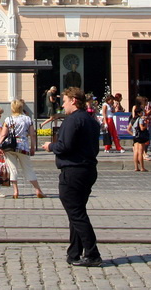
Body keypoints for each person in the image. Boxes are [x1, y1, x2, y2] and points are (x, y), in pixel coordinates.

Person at [43, 87, 102, 267]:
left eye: (65, 101)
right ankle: (74, 252)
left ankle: (92, 253)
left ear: (74, 100)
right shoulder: (91, 120)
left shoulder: (72, 120)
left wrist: (50, 146)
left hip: (73, 170)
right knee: (76, 212)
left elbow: (64, 146)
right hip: (88, 169)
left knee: (76, 213)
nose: (63, 105)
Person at [0, 99, 45, 199]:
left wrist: (0, 146)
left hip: (10, 147)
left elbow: (3, 134)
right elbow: (32, 134)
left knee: (12, 169)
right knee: (28, 168)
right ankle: (38, 190)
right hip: (23, 146)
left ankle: (15, 191)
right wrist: (32, 147)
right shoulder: (27, 119)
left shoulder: (8, 119)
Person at [131, 106, 150, 172]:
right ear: (139, 113)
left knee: (135, 152)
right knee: (140, 152)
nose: (142, 113)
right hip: (140, 136)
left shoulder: (132, 119)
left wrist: (133, 133)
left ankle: (136, 167)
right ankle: (142, 167)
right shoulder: (140, 119)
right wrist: (146, 125)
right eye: (141, 112)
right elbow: (142, 128)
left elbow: (128, 128)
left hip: (135, 136)